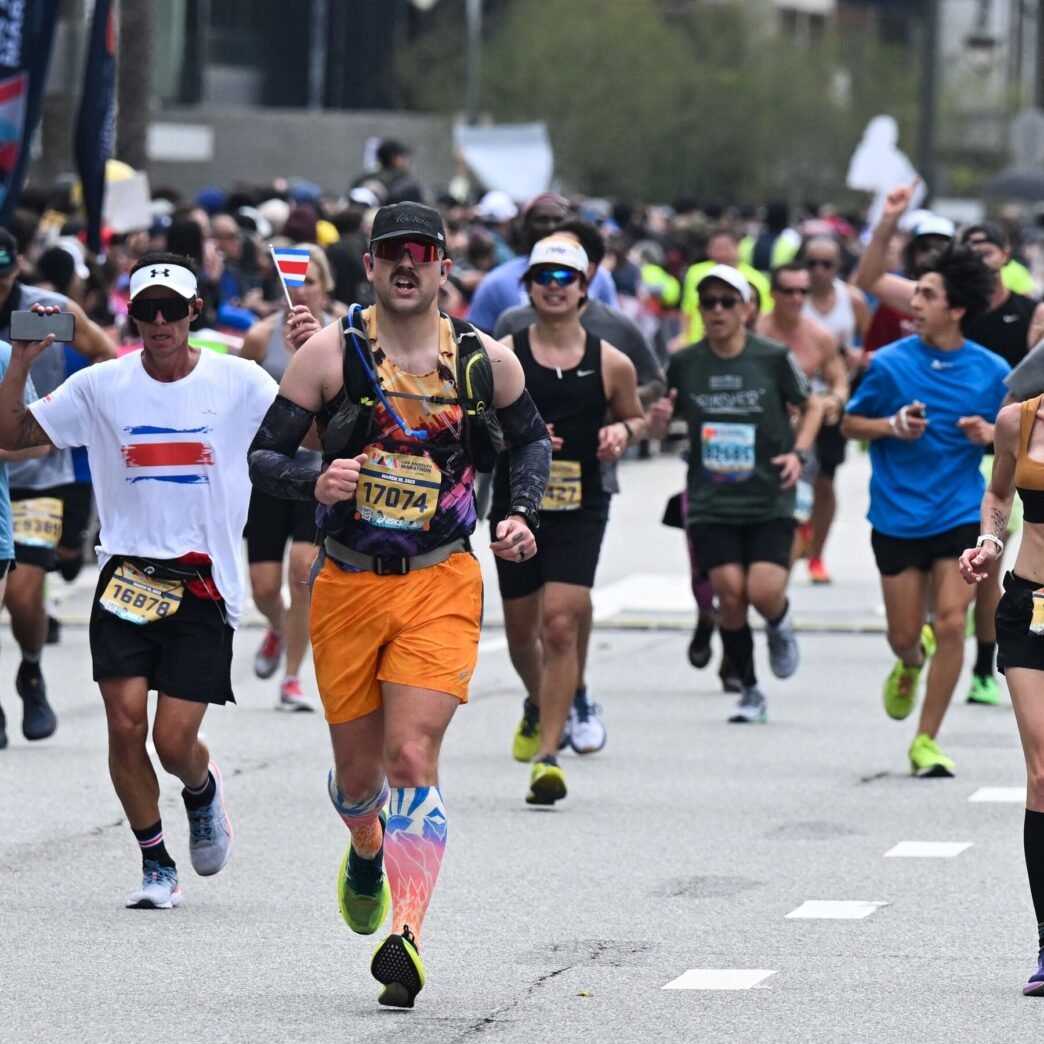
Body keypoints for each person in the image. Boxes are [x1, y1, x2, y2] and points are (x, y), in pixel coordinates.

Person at [247, 202, 550, 1008]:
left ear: (445, 266)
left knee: (412, 757)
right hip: (345, 585)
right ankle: (364, 844)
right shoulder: (328, 357)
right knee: (358, 780)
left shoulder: (486, 361)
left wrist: (520, 514)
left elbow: (532, 440)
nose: (407, 265)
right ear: (372, 268)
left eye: (423, 252)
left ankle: (406, 937)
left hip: (441, 579)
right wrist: (315, 477)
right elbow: (264, 456)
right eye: (392, 254)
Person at [0, 254, 278, 907]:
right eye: (145, 310)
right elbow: (10, 436)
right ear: (132, 315)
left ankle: (201, 789)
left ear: (193, 314)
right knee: (124, 726)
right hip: (127, 572)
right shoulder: (103, 385)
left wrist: (310, 340)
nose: (158, 322)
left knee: (172, 740)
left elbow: (312, 429)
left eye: (170, 310)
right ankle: (156, 862)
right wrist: (21, 360)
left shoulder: (239, 380)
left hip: (204, 580)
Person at [841, 241, 1007, 777]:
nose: (915, 301)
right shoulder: (888, 365)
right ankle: (911, 661)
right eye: (915, 291)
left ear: (955, 308)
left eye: (927, 294)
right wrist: (890, 426)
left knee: (954, 622)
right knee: (904, 636)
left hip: (958, 510)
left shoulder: (991, 371)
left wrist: (988, 435)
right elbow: (848, 423)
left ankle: (925, 740)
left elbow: (1015, 439)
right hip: (896, 514)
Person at [493, 235, 644, 801]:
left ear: (585, 289)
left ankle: (549, 755)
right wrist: (520, 438)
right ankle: (542, 701)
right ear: (528, 287)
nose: (554, 289)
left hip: (581, 505)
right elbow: (474, 423)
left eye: (566, 280)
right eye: (543, 279)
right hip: (514, 505)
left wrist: (620, 432)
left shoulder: (612, 361)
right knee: (520, 635)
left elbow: (635, 419)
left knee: (560, 623)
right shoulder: (504, 351)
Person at [648, 265, 821, 724]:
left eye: (728, 302)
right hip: (711, 499)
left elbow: (813, 405)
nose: (718, 311)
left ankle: (780, 624)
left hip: (768, 494)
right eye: (709, 303)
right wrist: (660, 423)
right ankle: (750, 689)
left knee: (763, 591)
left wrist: (798, 454)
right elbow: (665, 418)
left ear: (748, 309)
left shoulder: (772, 357)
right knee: (730, 594)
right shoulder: (686, 361)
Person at [0, 227, 116, 742]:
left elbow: (105, 352)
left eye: (4, 270)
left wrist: (69, 407)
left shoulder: (48, 307)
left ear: (19, 264)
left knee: (23, 595)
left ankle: (30, 668)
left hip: (38, 470)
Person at [959, 397, 1044, 996]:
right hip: (1031, 606)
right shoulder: (1021, 420)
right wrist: (989, 543)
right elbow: (999, 495)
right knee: (1043, 773)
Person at [240, 245, 338, 711]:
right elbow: (239, 401)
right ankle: (277, 627)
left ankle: (294, 677)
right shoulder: (260, 338)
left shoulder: (344, 335)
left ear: (327, 286)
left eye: (311, 280)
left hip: (318, 470)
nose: (301, 289)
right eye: (293, 281)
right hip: (270, 470)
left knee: (303, 572)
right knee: (262, 586)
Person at [756, 262, 849, 576]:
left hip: (813, 421)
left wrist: (835, 400)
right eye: (789, 291)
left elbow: (839, 379)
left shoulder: (818, 335)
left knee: (822, 485)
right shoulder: (755, 330)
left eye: (802, 292)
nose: (797, 298)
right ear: (773, 293)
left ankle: (815, 554)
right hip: (765, 426)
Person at [801, 237, 871, 581]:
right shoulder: (793, 298)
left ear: (837, 268)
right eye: (811, 263)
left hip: (834, 400)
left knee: (825, 481)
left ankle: (817, 553)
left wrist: (857, 358)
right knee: (792, 476)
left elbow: (870, 345)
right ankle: (797, 532)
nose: (818, 271)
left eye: (826, 264)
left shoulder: (852, 300)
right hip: (796, 401)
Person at [466, 194, 618, 333]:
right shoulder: (496, 282)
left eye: (559, 220)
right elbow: (475, 343)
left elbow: (614, 330)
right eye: (542, 220)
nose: (551, 227)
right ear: (525, 227)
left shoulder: (598, 277)